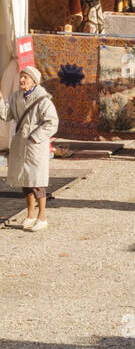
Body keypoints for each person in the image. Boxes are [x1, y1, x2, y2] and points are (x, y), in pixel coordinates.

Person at [0, 65, 59, 231]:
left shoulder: (43, 100)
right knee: (25, 180)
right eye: (21, 76)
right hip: (20, 142)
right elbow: (6, 114)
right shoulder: (16, 97)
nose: (21, 80)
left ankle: (42, 217)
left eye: (25, 77)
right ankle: (30, 214)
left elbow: (52, 122)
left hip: (34, 145)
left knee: (37, 181)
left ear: (34, 80)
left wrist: (35, 136)